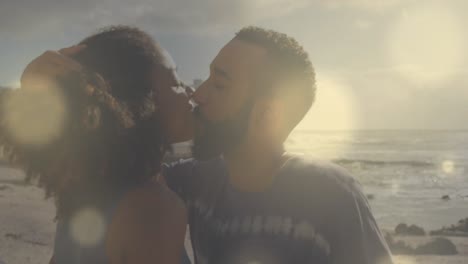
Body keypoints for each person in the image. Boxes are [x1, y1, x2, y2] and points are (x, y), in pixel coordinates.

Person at [162, 26, 394, 263]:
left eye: (219, 85)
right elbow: (130, 172)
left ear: (266, 115)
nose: (198, 95)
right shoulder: (195, 180)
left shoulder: (330, 196)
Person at [0, 26, 193, 264]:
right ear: (142, 101)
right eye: (176, 81)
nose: (191, 91)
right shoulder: (153, 210)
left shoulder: (84, 191)